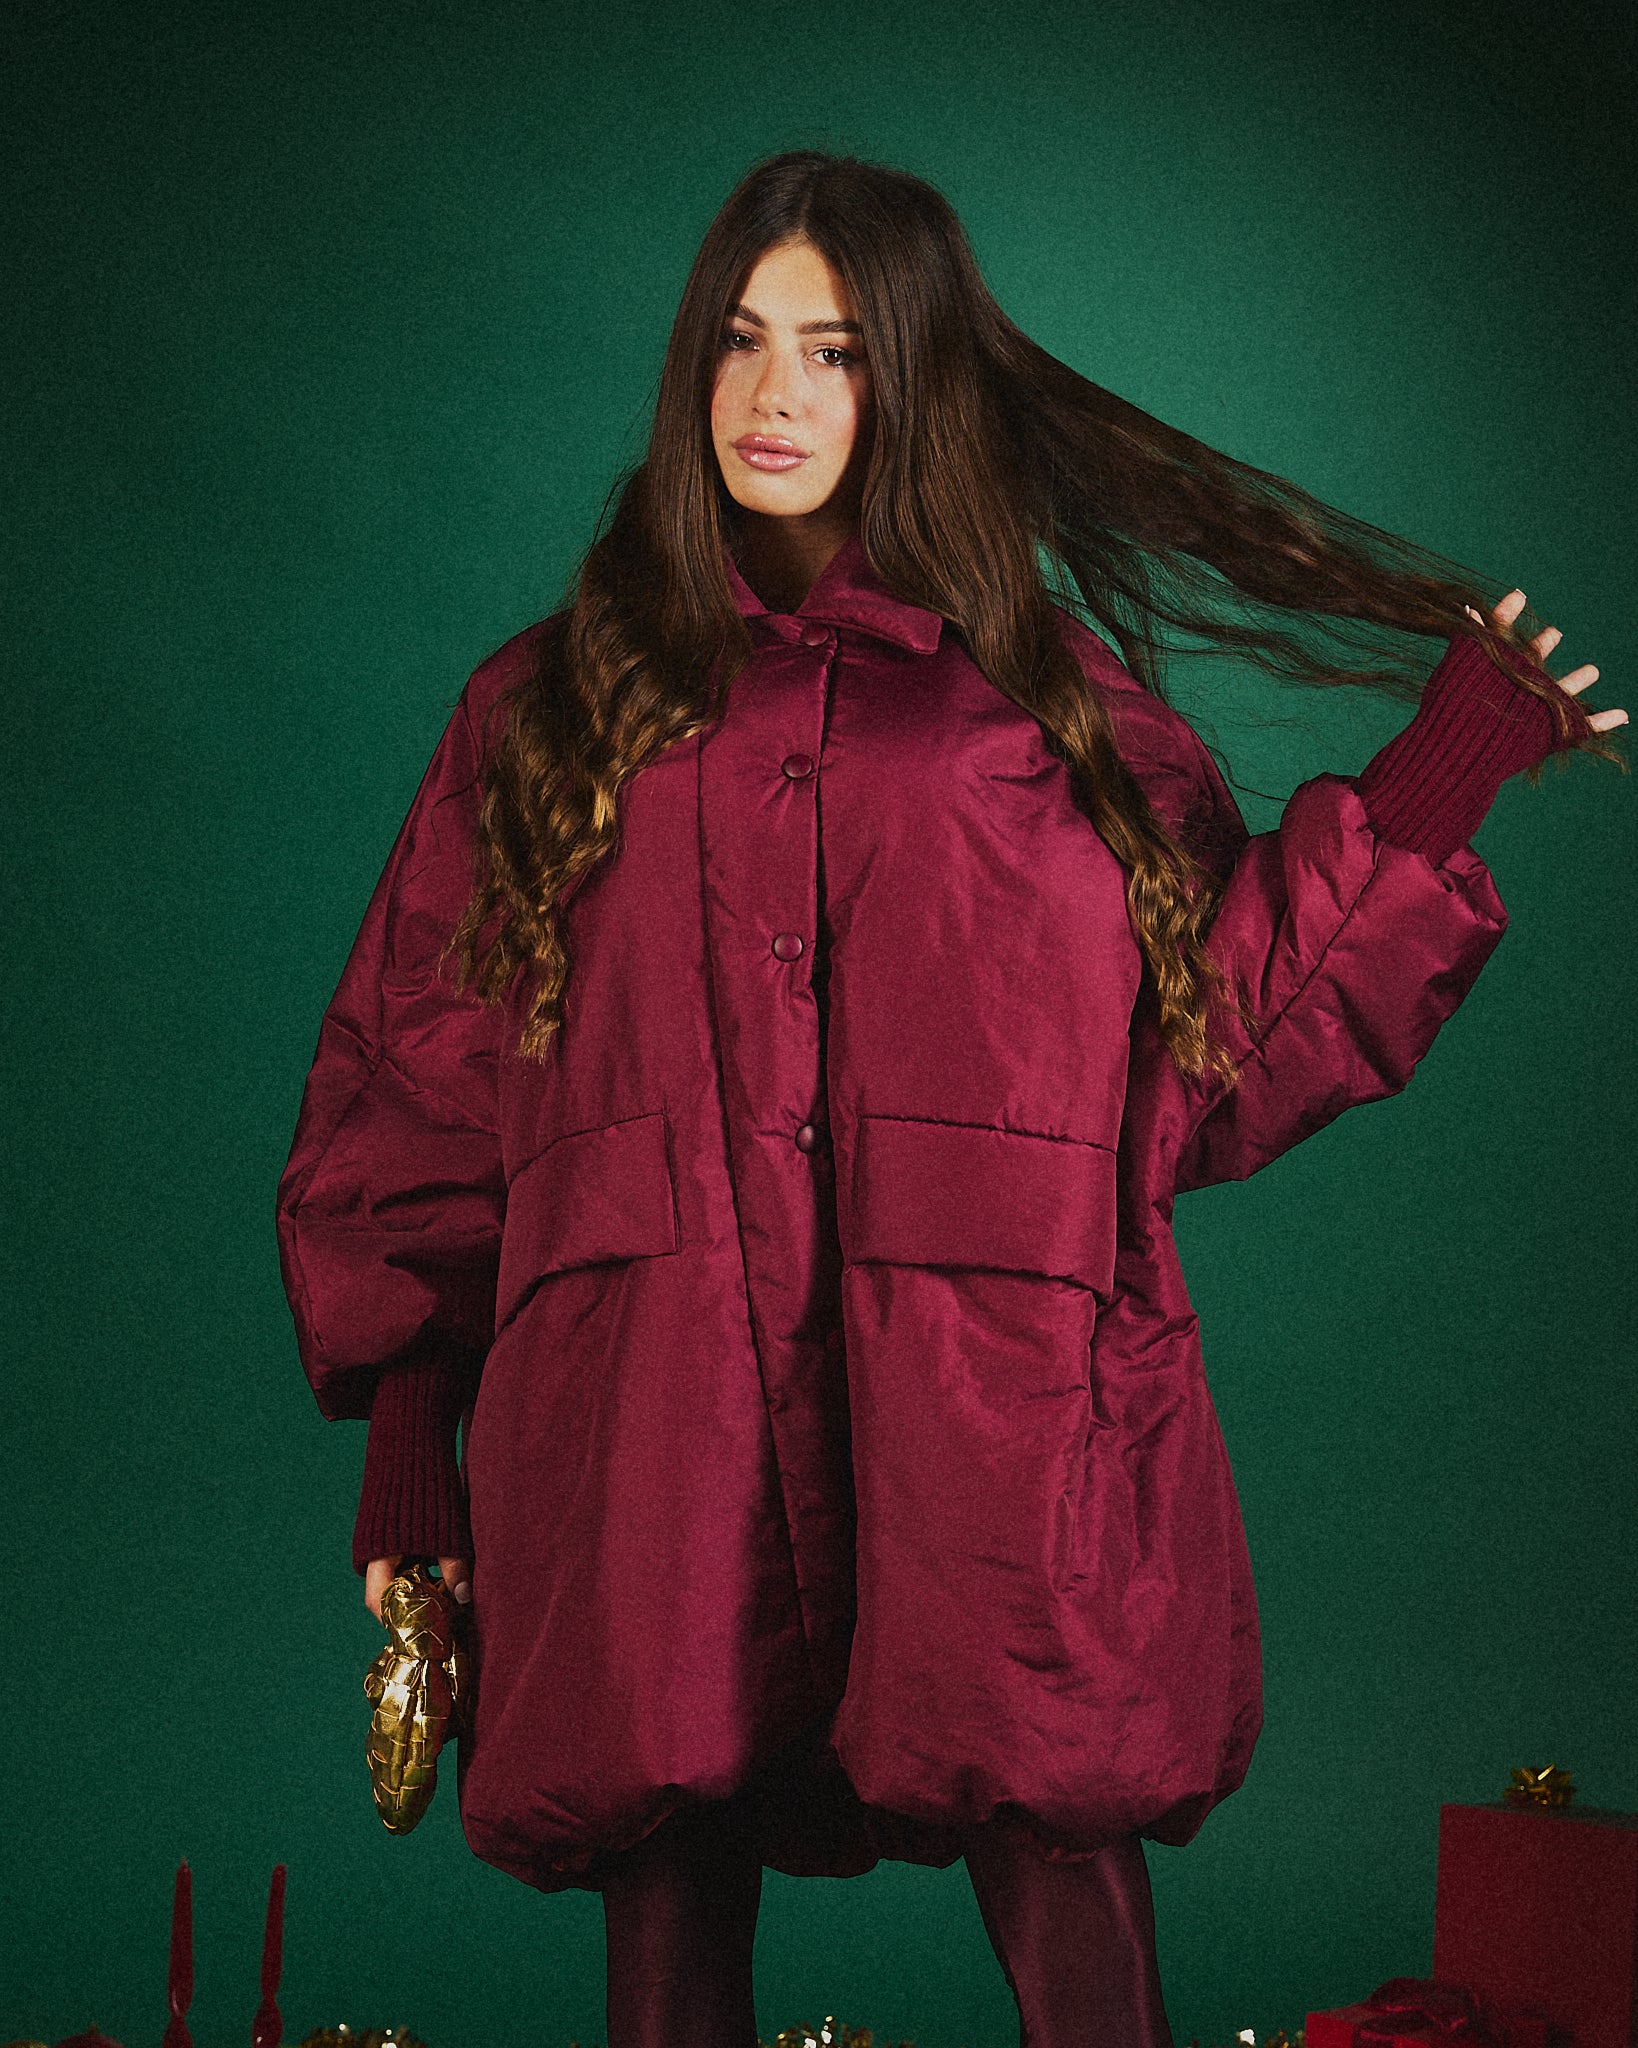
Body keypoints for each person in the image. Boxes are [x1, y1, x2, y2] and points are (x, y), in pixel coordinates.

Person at [275, 151, 1624, 2047]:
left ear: (906, 381)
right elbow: (425, 1071)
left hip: (987, 1386)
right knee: (663, 1841)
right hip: (647, 1390)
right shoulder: (549, 707)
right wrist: (413, 1438)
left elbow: (1211, 1043)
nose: (773, 395)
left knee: (1052, 1814)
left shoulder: (1034, 707)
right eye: (741, 341)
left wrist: (1436, 782)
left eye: (833, 351)